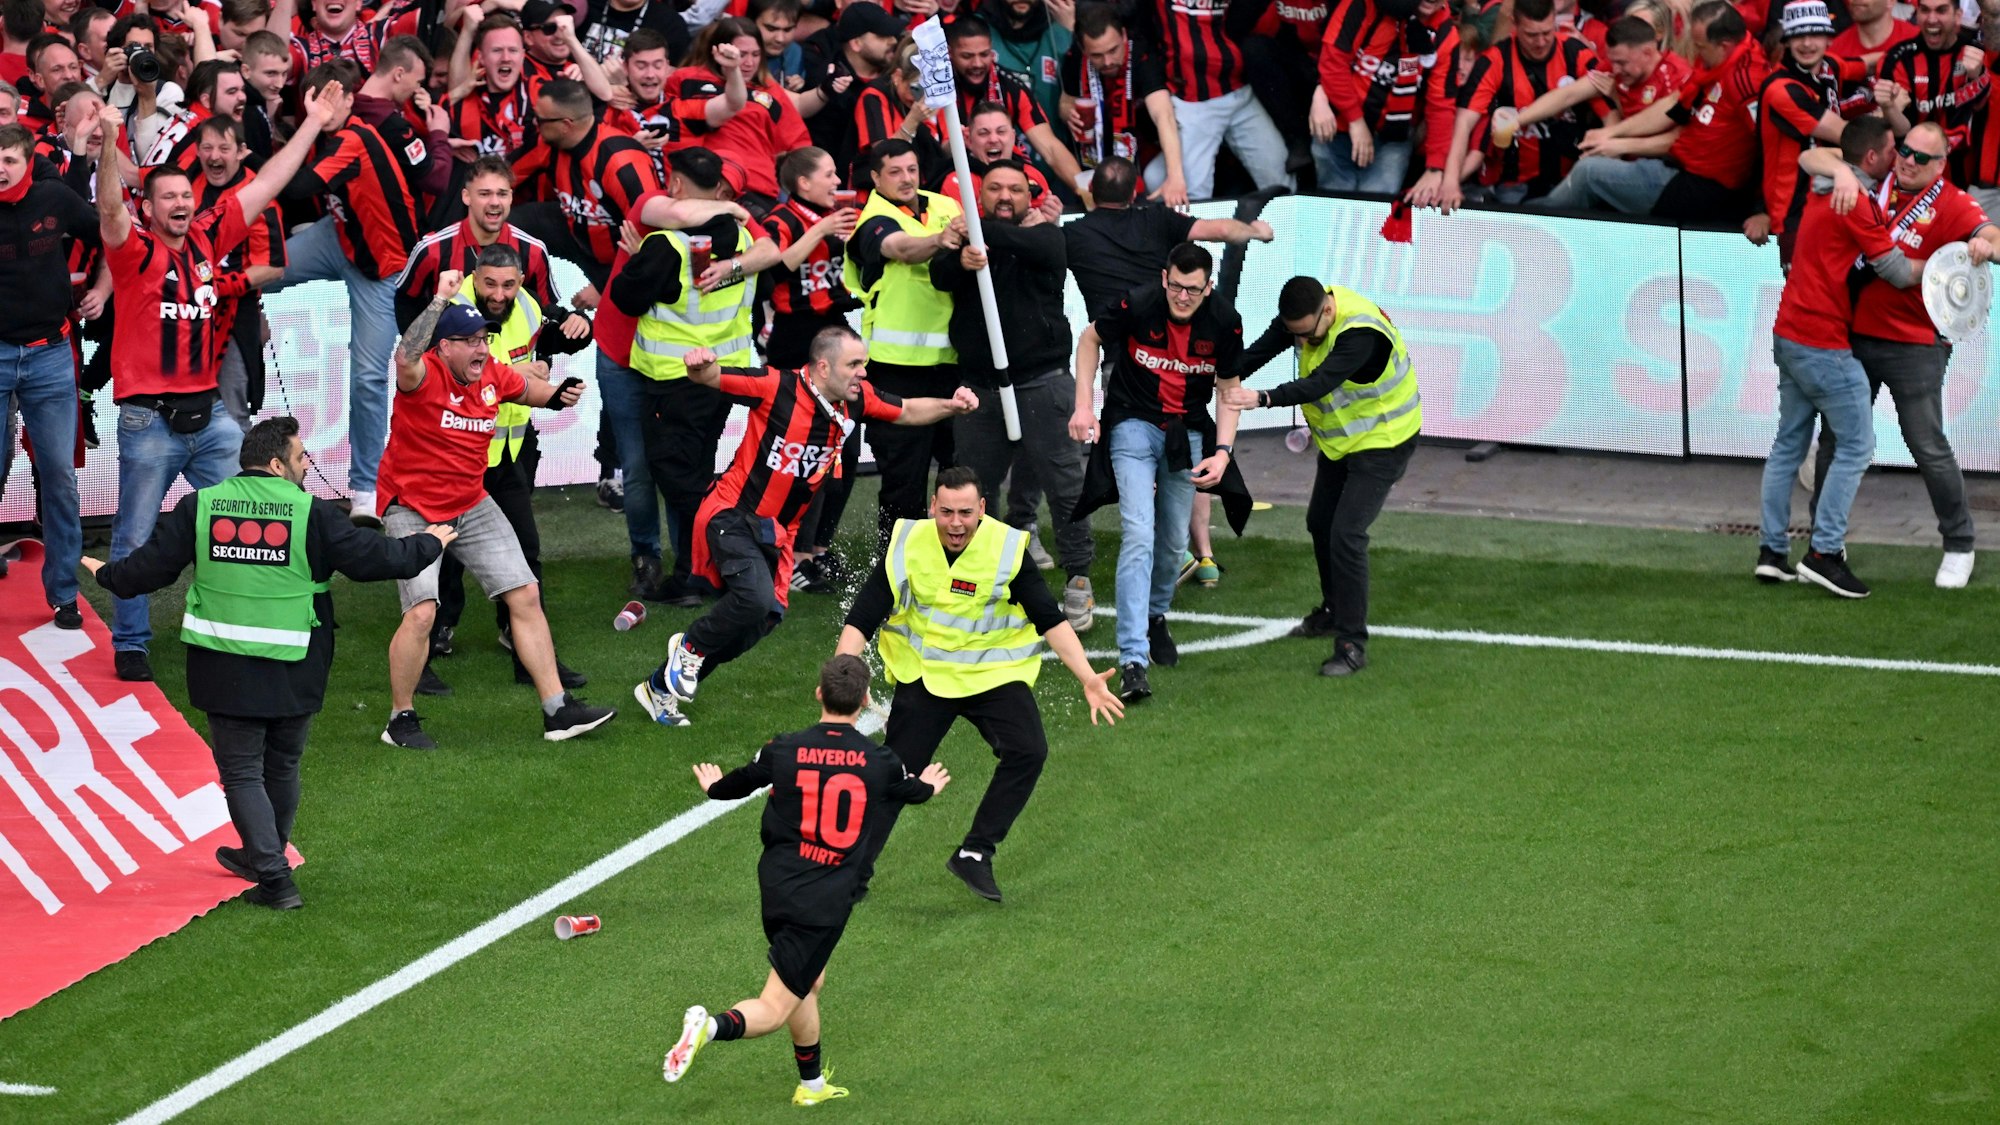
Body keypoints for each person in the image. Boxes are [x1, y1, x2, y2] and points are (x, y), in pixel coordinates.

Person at [86, 418, 453, 910]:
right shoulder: (312, 514)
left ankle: (273, 876)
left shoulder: (202, 506)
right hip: (297, 661)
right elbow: (378, 560)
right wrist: (431, 542)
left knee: (241, 772)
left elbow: (149, 569)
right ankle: (268, 861)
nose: (306, 467)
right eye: (302, 458)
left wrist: (107, 575)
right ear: (278, 464)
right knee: (281, 764)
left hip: (223, 663)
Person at [99, 81, 347, 684]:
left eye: (187, 194)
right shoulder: (132, 251)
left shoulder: (212, 234)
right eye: (169, 198)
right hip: (148, 419)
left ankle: (288, 611)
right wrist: (109, 141)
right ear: (150, 210)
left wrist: (312, 121)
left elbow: (267, 183)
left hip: (210, 418)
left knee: (267, 511)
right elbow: (109, 207)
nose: (182, 203)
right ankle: (130, 642)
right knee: (134, 537)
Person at [634, 328, 978, 727]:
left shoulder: (854, 401)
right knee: (754, 600)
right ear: (822, 367)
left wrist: (952, 406)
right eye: (854, 365)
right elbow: (711, 378)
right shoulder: (774, 386)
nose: (863, 373)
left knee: (756, 624)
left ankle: (662, 687)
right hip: (733, 513)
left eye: (863, 364)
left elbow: (908, 410)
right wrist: (700, 367)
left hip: (779, 534)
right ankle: (688, 647)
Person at [661, 654, 952, 1104]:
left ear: (820, 694)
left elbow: (738, 784)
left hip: (777, 886)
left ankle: (811, 1086)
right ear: (863, 700)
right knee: (775, 1007)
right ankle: (709, 1028)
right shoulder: (880, 760)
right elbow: (912, 792)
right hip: (823, 902)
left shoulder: (783, 748)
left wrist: (713, 786)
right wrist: (930, 785)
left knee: (807, 982)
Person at [836, 466, 1125, 902]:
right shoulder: (908, 542)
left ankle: (975, 852)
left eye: (966, 513)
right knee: (895, 774)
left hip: (992, 676)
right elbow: (864, 613)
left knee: (1028, 751)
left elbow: (1049, 618)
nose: (956, 523)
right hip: (927, 675)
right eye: (947, 511)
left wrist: (1087, 678)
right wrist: (843, 677)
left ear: (982, 510)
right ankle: (851, 875)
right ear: (932, 507)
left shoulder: (1007, 548)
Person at [377, 269, 615, 748]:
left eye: (483, 339)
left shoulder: (490, 374)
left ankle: (557, 710)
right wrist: (439, 302)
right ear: (443, 347)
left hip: (470, 502)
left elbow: (528, 391)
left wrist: (558, 396)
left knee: (524, 594)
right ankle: (400, 719)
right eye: (468, 341)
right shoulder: (420, 374)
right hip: (412, 509)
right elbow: (405, 354)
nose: (481, 349)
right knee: (422, 613)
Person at [1801, 121, 1995, 588]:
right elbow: (1810, 158)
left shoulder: (1952, 203)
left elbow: (1992, 233)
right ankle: (1824, 545)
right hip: (1854, 337)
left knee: (1927, 446)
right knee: (1835, 442)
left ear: (1941, 165)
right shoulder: (1873, 180)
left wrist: (1984, 244)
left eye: (1921, 157)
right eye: (1905, 150)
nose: (1908, 160)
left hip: (1916, 344)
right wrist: (1845, 175)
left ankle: (1960, 543)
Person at [1219, 274, 1421, 676]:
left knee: (1347, 533)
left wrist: (1261, 398)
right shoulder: (1305, 312)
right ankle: (1332, 609)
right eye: (1296, 335)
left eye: (1306, 334)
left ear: (1326, 311)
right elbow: (1257, 352)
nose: (1302, 341)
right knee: (1320, 523)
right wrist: (1213, 372)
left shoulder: (1361, 336)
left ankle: (1351, 644)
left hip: (1384, 441)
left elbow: (1319, 383)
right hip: (1341, 443)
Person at [1754, 115, 1921, 598]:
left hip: (1789, 330)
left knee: (1788, 444)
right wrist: (1946, 262)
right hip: (1822, 342)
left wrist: (1844, 171)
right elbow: (1893, 270)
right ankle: (1825, 553)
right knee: (1856, 445)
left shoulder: (1827, 183)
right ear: (1872, 158)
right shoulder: (1856, 202)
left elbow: (1812, 157)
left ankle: (1771, 553)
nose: (1901, 159)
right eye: (1894, 151)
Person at [1071, 242, 1244, 700]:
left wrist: (1223, 452)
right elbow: (1089, 339)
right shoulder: (1138, 302)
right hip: (1131, 424)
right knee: (1138, 534)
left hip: (1186, 432)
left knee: (1172, 545)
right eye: (1175, 285)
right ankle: (1132, 658)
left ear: (1208, 288)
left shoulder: (1225, 321)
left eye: (1193, 289)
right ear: (1164, 277)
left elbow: (1229, 390)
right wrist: (1084, 407)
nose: (1182, 296)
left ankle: (1154, 615)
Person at [930, 160, 1097, 633]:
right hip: (980, 386)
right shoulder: (966, 241)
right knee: (974, 490)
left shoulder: (1046, 235)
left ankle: (1078, 578)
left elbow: (1029, 243)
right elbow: (941, 274)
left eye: (1016, 190)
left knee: (1065, 486)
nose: (1005, 196)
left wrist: (973, 230)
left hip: (1041, 382)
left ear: (1032, 196)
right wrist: (958, 256)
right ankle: (979, 581)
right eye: (994, 189)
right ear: (980, 195)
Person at [266, 55, 432, 530]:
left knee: (367, 377)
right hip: (338, 235)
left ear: (349, 101)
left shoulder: (354, 138)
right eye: (315, 104)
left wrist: (305, 131)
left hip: (380, 269)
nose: (322, 112)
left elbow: (297, 186)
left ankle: (365, 489)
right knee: (261, 271)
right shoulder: (331, 133)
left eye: (330, 104)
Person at [611, 145, 780, 603]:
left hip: (672, 381)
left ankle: (730, 557)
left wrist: (633, 257)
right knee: (697, 471)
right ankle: (693, 575)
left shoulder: (664, 244)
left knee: (682, 482)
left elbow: (625, 299)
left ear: (677, 187)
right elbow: (765, 272)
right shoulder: (744, 241)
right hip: (721, 377)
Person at [424, 243, 591, 696]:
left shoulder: (532, 306)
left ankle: (524, 650)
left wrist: (582, 325)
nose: (499, 294)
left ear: (521, 281)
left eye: (509, 284)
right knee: (437, 560)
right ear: (475, 278)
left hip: (508, 457)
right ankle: (427, 649)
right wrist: (528, 374)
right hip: (451, 461)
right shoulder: (451, 313)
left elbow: (560, 337)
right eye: (490, 283)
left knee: (525, 553)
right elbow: (457, 375)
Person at [842, 138, 966, 551]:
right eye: (894, 172)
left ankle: (960, 560)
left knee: (961, 473)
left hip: (952, 364)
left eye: (911, 169)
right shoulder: (872, 220)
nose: (906, 178)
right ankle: (895, 566)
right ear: (876, 178)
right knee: (904, 481)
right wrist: (941, 241)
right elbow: (902, 249)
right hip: (897, 371)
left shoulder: (946, 204)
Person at [0, 122, 95, 631]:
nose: (0, 168)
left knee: (59, 476)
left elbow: (113, 235)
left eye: (9, 160)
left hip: (50, 354)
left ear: (27, 161)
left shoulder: (54, 197)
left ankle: (63, 594)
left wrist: (102, 288)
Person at [1553, 1, 1766, 222]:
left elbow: (1769, 146)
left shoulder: (1747, 81)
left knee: (1588, 172)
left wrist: (1763, 211)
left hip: (1703, 186)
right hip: (1677, 166)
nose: (1696, 51)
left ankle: (1529, 220)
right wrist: (1613, 133)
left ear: (1723, 45)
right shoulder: (1714, 64)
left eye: (1700, 46)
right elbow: (1674, 104)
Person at [762, 145, 862, 590]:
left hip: (837, 333)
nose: (837, 182)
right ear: (803, 183)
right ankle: (794, 553)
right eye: (829, 174)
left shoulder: (844, 215)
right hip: (795, 339)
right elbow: (778, 267)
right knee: (805, 451)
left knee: (846, 449)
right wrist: (823, 227)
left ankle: (819, 547)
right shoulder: (780, 221)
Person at [1440, 0, 1601, 207]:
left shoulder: (1575, 52)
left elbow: (1609, 106)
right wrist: (1450, 182)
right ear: (1514, 23)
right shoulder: (1495, 60)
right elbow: (1464, 122)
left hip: (1568, 182)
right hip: (1513, 185)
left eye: (1547, 32)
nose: (1541, 42)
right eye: (1532, 35)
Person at [1146, 0, 1293, 200]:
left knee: (1280, 179)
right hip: (1193, 101)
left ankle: (1287, 230)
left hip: (1240, 91)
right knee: (1191, 198)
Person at [1056, 5, 1190, 204]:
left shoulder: (1142, 55)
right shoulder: (1075, 57)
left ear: (1124, 36)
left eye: (1113, 50)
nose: (1108, 61)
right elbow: (1065, 101)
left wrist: (1175, 177)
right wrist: (1069, 112)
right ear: (1084, 50)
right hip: (1091, 163)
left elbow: (1164, 114)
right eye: (1097, 56)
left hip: (1138, 156)